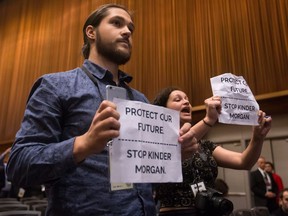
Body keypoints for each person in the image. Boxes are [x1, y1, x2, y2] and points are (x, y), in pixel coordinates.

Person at [6, 4, 200, 215]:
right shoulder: (55, 86)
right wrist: (83, 144)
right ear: (91, 32)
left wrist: (172, 156)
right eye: (117, 23)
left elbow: (145, 177)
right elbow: (19, 165)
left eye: (130, 28)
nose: (127, 31)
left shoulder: (140, 100)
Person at [152, 86, 272, 216]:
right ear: (163, 111)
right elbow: (177, 145)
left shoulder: (205, 146)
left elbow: (244, 162)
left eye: (187, 99)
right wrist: (209, 119)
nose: (186, 102)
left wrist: (257, 138)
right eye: (177, 99)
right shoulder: (156, 143)